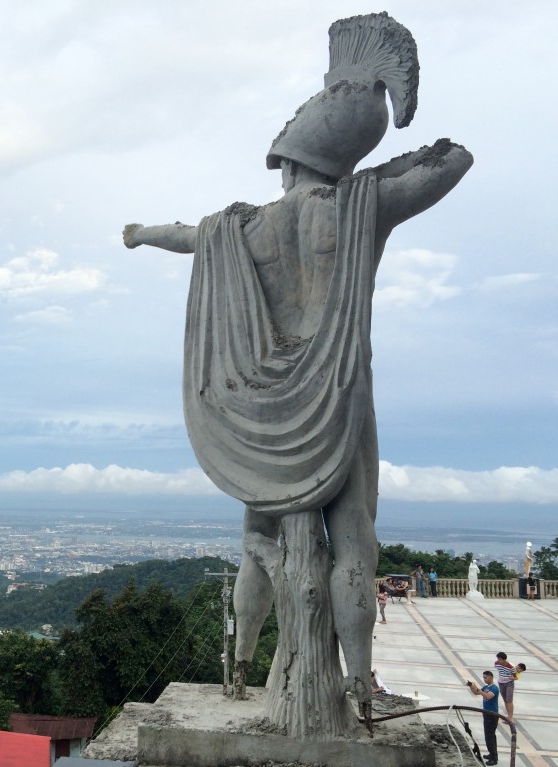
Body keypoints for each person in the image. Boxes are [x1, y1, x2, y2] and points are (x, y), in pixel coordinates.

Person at [123, 12, 472, 727]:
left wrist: (138, 234)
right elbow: (453, 161)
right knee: (353, 544)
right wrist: (384, 162)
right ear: (340, 156)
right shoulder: (358, 207)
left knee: (257, 542)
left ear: (286, 155)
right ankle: (362, 682)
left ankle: (243, 668)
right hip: (339, 396)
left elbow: (178, 236)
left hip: (262, 410)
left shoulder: (238, 225)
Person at [468, 670, 500, 765]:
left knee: (489, 736)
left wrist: (479, 690)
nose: (484, 679)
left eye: (485, 677)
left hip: (492, 715)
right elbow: (477, 693)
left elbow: (487, 696)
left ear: (491, 677)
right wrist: (472, 687)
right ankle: (493, 754)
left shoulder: (494, 688)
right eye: (483, 677)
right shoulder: (486, 687)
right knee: (490, 736)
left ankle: (493, 758)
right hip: (486, 714)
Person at [494, 651, 518, 721]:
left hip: (509, 684)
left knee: (509, 700)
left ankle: (510, 717)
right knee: (505, 700)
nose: (498, 661)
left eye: (500, 659)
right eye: (498, 659)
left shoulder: (510, 667)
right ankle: (508, 715)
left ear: (504, 659)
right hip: (501, 683)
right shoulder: (496, 664)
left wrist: (512, 678)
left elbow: (515, 677)